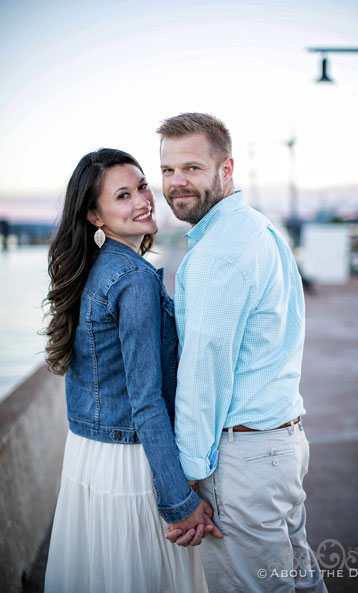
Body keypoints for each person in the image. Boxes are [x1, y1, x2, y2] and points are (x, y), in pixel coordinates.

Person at [157, 113, 328, 593]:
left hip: (245, 460)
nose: (176, 183)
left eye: (191, 167)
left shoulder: (220, 252)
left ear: (226, 169)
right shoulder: (258, 229)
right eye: (168, 170)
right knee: (299, 583)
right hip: (281, 445)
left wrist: (187, 479)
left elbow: (203, 370)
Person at [43, 148, 220, 593]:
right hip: (130, 466)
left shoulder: (92, 270)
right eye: (123, 195)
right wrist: (179, 501)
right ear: (95, 216)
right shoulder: (135, 279)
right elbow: (146, 402)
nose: (143, 200)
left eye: (142, 186)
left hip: (89, 457)